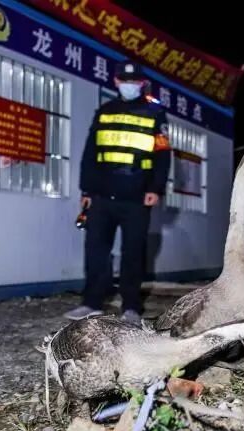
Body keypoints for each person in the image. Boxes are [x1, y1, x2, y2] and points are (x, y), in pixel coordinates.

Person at [64, 60, 172, 326]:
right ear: (116, 81)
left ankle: (131, 306)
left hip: (137, 196)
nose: (129, 85)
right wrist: (87, 189)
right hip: (101, 195)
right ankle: (92, 303)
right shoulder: (104, 111)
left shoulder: (155, 114)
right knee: (95, 250)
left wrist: (156, 188)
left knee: (133, 252)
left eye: (134, 81)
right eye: (125, 80)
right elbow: (91, 153)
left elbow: (162, 155)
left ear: (142, 84)